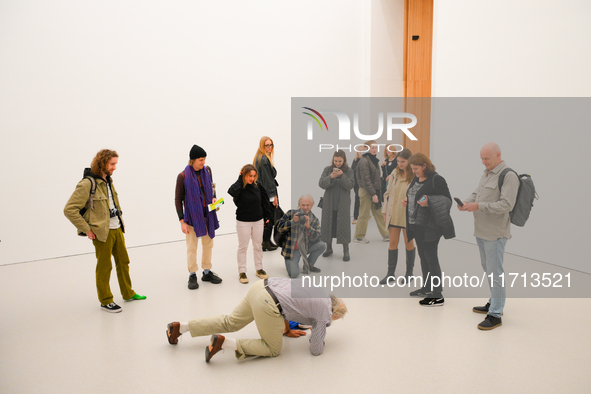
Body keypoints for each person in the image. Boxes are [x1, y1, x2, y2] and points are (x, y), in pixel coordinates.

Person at [165, 277, 348, 361]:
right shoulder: (324, 313)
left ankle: (180, 328)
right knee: (274, 349)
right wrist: (322, 342)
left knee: (230, 321)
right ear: (335, 314)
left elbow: (290, 304)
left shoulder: (316, 289)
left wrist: (286, 329)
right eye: (335, 319)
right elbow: (315, 349)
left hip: (260, 287)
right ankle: (224, 343)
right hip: (269, 304)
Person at [64, 149, 146, 313]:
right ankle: (106, 301)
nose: (115, 167)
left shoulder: (108, 180)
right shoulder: (88, 183)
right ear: (102, 163)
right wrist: (87, 229)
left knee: (123, 262)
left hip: (117, 228)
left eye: (115, 164)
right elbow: (69, 209)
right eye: (112, 164)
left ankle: (128, 293)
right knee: (104, 266)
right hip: (102, 233)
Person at [458, 142, 519, 330]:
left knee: (495, 272)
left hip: (495, 233)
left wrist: (479, 206)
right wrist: (468, 201)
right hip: (482, 230)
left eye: (487, 158)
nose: (484, 162)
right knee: (488, 268)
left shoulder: (508, 176)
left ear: (498, 155)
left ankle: (496, 314)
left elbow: (506, 205)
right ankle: (494, 302)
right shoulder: (487, 173)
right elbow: (479, 192)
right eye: (482, 159)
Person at [403, 153, 455, 307]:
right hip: (416, 224)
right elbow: (415, 194)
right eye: (412, 169)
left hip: (431, 226)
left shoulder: (436, 180)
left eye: (416, 168)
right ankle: (427, 288)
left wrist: (429, 202)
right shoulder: (416, 178)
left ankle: (437, 294)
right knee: (423, 257)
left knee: (431, 258)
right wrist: (408, 200)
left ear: (424, 165)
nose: (414, 171)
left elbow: (447, 201)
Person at [175, 145, 222, 290]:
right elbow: (178, 199)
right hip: (192, 217)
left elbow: (211, 188)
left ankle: (206, 272)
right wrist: (182, 221)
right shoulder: (183, 176)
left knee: (208, 244)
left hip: (208, 214)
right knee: (192, 247)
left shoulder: (207, 171)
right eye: (201, 160)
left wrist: (214, 199)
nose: (203, 162)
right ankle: (192, 274)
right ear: (192, 160)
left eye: (204, 159)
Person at [227, 164, 273, 284]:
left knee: (258, 246)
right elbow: (231, 191)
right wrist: (239, 178)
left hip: (258, 220)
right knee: (243, 247)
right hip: (243, 221)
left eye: (253, 176)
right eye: (249, 176)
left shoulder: (258, 186)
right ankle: (242, 272)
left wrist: (267, 216)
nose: (252, 178)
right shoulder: (239, 187)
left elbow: (265, 201)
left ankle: (259, 269)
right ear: (243, 175)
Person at [380, 148, 416, 284]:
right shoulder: (394, 173)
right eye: (399, 161)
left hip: (408, 215)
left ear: (409, 161)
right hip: (394, 214)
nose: (400, 164)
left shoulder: (415, 175)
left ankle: (409, 273)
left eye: (403, 161)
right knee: (393, 243)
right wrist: (384, 212)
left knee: (409, 243)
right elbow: (387, 194)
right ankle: (390, 274)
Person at [277, 195, 326, 278]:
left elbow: (317, 238)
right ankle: (291, 262)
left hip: (305, 247)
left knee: (322, 245)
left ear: (312, 205)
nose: (305, 208)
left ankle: (309, 265)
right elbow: (279, 228)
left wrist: (308, 227)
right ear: (299, 205)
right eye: (303, 205)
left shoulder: (314, 219)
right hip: (292, 249)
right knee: (294, 274)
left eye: (308, 205)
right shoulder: (291, 213)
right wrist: (293, 221)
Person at [318, 150, 355, 261]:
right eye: (335, 161)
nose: (337, 163)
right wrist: (331, 177)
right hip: (329, 203)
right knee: (329, 224)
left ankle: (346, 251)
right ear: (333, 160)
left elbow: (350, 185)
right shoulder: (327, 170)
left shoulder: (348, 171)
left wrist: (342, 175)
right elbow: (321, 183)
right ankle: (329, 248)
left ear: (344, 160)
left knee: (343, 226)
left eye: (340, 161)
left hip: (342, 204)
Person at [353, 141, 390, 243]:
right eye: (372, 147)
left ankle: (386, 235)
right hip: (367, 191)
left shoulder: (372, 160)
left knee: (379, 213)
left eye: (376, 147)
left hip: (373, 191)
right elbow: (366, 180)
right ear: (367, 148)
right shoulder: (364, 161)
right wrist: (373, 194)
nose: (375, 149)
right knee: (364, 214)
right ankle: (358, 236)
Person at [254, 136, 281, 251]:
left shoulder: (260, 158)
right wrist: (273, 196)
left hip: (263, 192)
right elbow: (268, 180)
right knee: (270, 216)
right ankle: (265, 242)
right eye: (267, 145)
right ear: (262, 146)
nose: (269, 147)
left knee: (268, 216)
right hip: (267, 192)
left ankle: (266, 241)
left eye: (271, 145)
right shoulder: (264, 160)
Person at [350, 151, 362, 224]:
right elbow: (352, 171)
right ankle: (356, 216)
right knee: (357, 198)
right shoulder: (355, 160)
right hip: (356, 183)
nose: (360, 152)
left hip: (362, 183)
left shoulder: (365, 160)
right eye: (359, 150)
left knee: (360, 199)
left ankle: (356, 216)